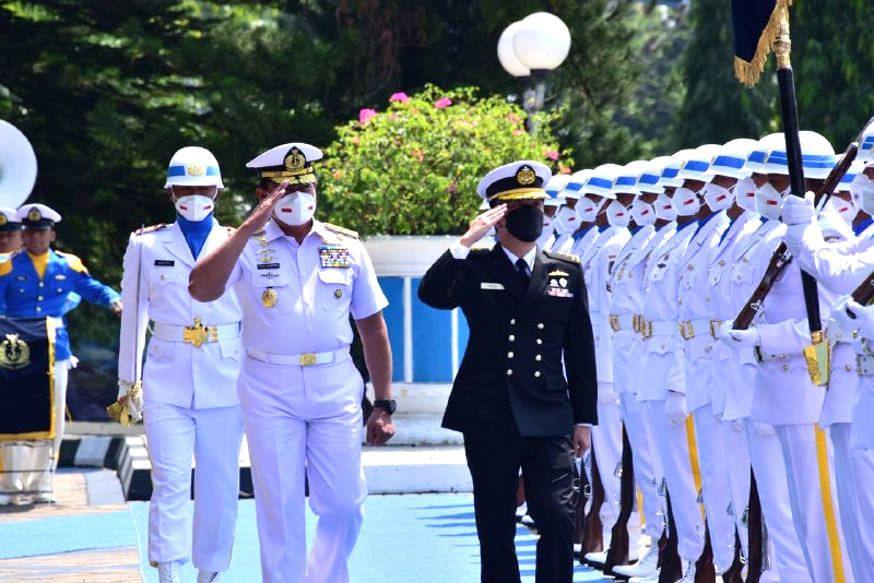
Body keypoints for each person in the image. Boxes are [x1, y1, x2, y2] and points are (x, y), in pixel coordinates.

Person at [188, 142, 394, 583]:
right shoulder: (244, 243)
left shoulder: (345, 245)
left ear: (316, 189)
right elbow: (201, 289)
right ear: (264, 195)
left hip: (335, 382)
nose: (297, 199)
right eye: (283, 191)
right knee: (279, 507)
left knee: (343, 504)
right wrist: (246, 228)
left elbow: (373, 326)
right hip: (268, 384)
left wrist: (384, 402)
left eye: (304, 188)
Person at [418, 160, 598, 583]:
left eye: (537, 203)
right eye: (521, 206)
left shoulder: (564, 269)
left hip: (549, 411)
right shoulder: (475, 265)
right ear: (498, 216)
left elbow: (580, 348)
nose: (533, 213)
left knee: (556, 516)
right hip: (488, 411)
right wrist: (465, 241)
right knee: (495, 523)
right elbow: (431, 294)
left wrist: (584, 418)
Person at [114, 146, 244, 583]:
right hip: (166, 374)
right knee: (169, 480)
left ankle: (209, 572)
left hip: (226, 375)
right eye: (185, 188)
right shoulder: (146, 243)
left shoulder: (237, 242)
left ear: (218, 191)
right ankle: (168, 572)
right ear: (171, 193)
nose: (194, 196)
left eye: (202, 187)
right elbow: (133, 315)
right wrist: (127, 382)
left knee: (219, 483)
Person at [0, 203, 121, 505]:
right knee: (13, 416)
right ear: (23, 236)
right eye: (29, 232)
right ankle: (11, 484)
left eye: (41, 232)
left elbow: (93, 288)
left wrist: (113, 300)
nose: (35, 237)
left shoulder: (68, 265)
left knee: (53, 418)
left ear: (52, 234)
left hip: (55, 352)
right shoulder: (7, 266)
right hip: (16, 353)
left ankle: (41, 482)